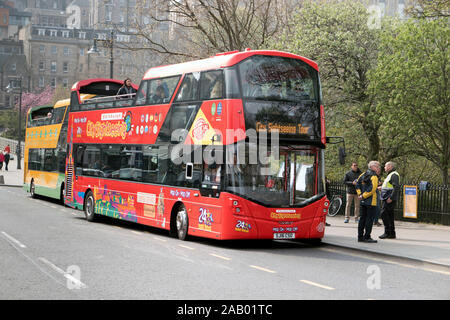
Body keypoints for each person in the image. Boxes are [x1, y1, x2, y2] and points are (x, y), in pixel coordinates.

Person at [355, 160, 381, 243]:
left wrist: (360, 195)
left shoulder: (363, 174)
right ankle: (367, 237)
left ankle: (360, 237)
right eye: (377, 166)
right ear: (372, 167)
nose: (378, 168)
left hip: (363, 201)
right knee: (369, 220)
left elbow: (357, 184)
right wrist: (363, 195)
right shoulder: (374, 176)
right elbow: (372, 189)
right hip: (371, 202)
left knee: (362, 219)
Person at [379, 161, 400, 239]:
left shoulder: (394, 175)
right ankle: (392, 233)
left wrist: (391, 197)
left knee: (384, 214)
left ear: (390, 166)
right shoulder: (391, 174)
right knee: (390, 215)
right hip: (387, 197)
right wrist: (382, 188)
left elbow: (396, 187)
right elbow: (389, 186)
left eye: (385, 166)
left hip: (389, 198)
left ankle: (387, 232)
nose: (384, 168)